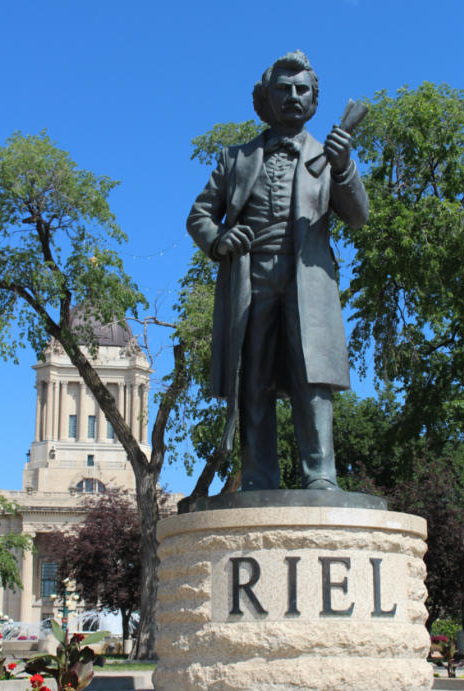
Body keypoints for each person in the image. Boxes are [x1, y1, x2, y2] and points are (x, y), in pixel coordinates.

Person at [187, 51, 369, 491]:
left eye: (301, 89)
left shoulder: (330, 157)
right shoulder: (236, 158)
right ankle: (258, 477)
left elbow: (358, 216)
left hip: (308, 278)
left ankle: (321, 476)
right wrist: (218, 239)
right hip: (250, 277)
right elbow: (199, 215)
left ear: (314, 100)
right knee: (253, 378)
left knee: (314, 378)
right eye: (283, 89)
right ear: (264, 99)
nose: (292, 96)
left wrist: (343, 167)